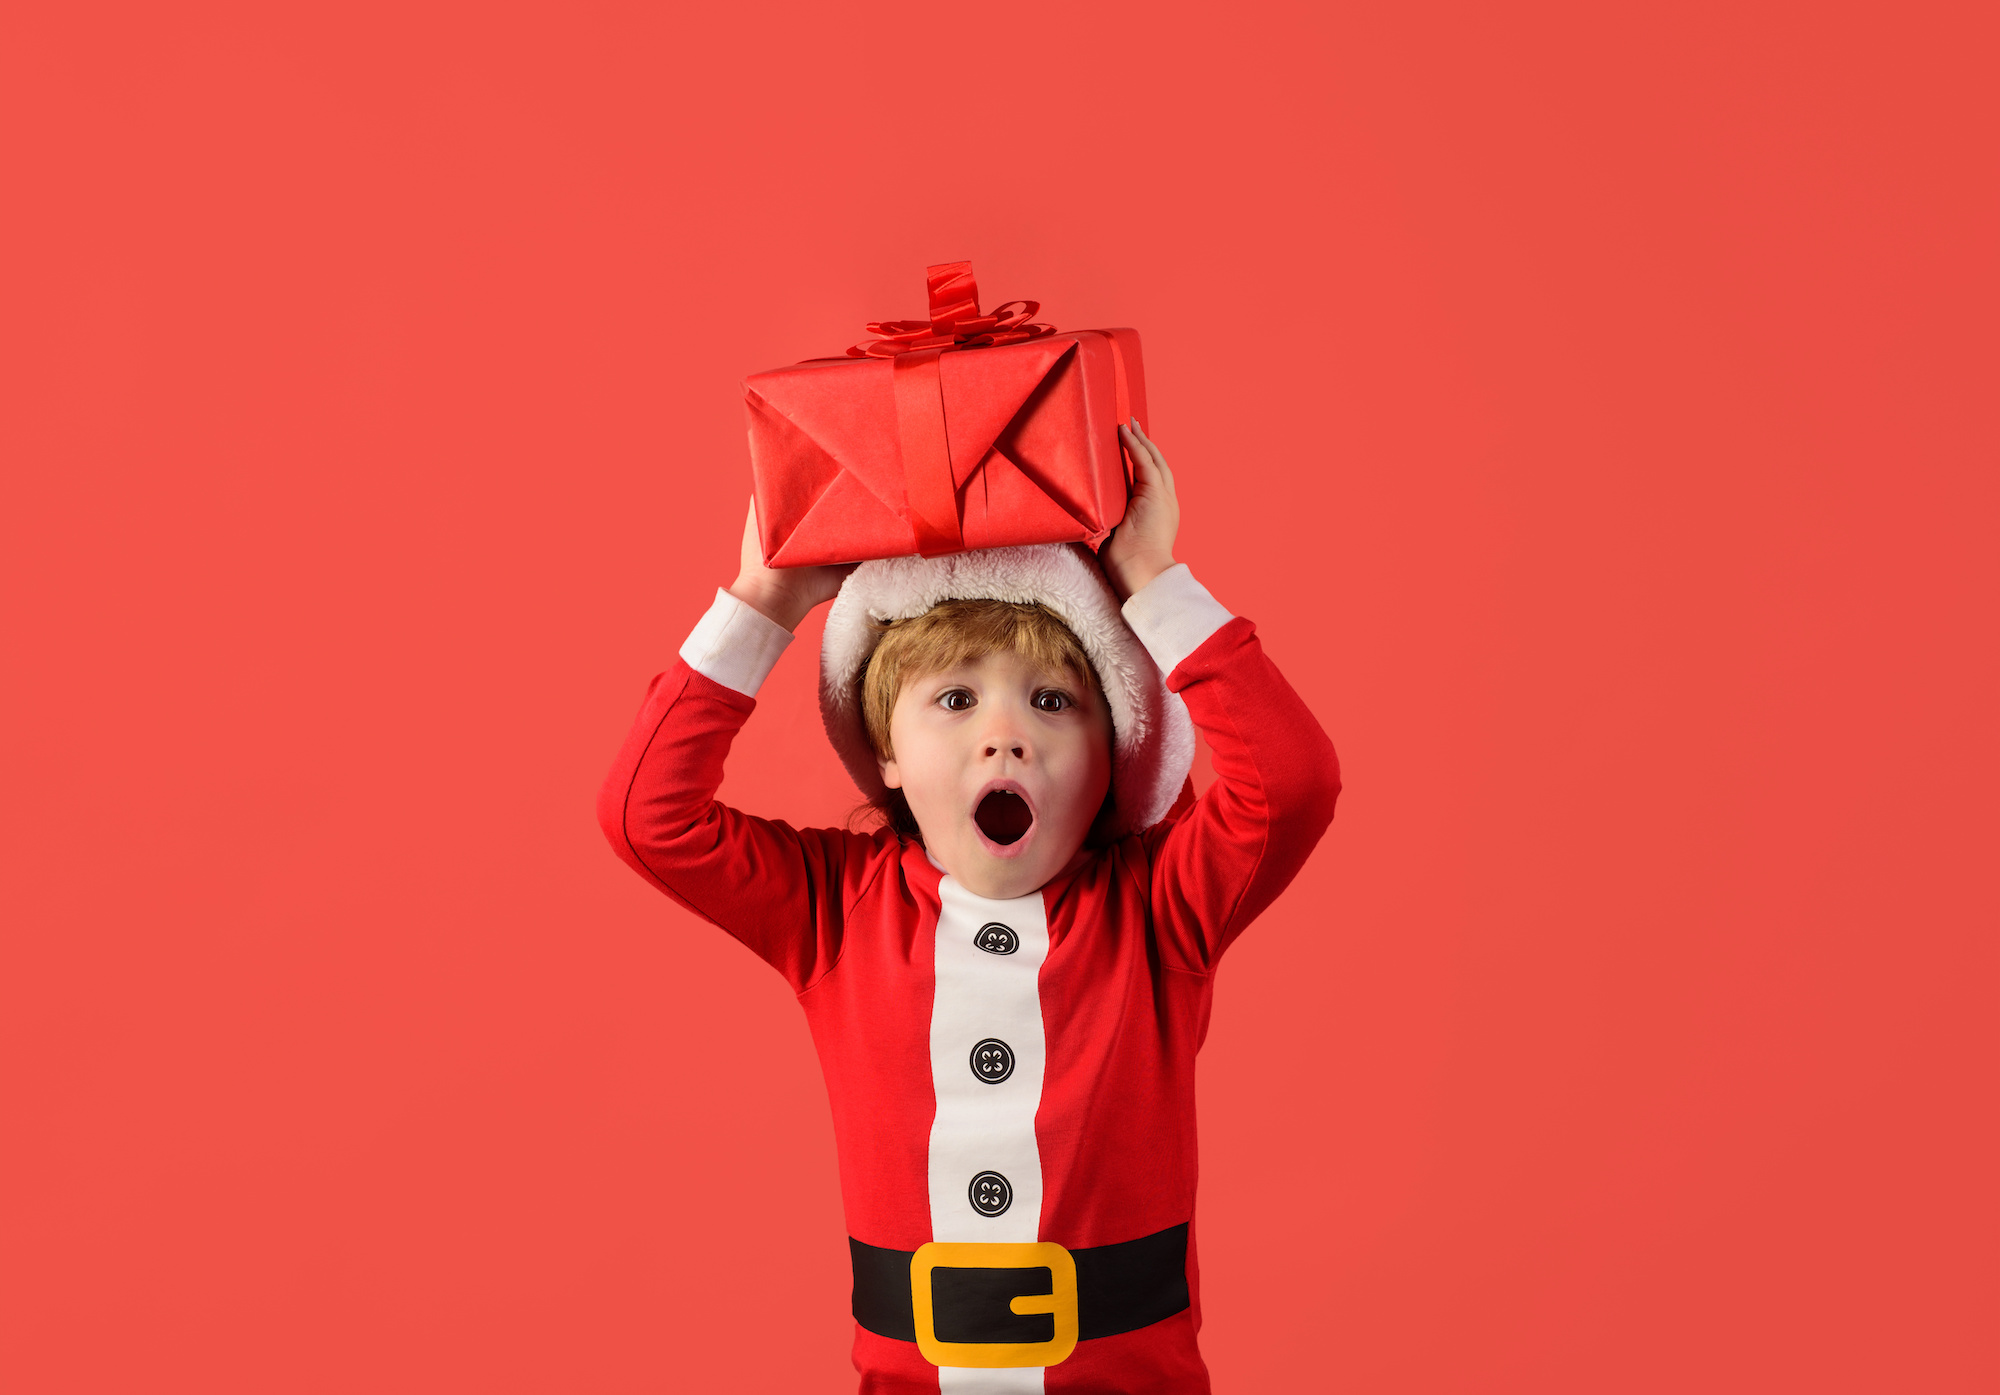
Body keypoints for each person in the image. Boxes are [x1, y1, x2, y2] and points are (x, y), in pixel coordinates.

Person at [597, 421, 1341, 1393]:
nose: (1003, 738)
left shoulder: (1159, 911)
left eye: (1051, 701)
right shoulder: (834, 911)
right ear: (887, 758)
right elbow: (644, 816)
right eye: (954, 701)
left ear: (1110, 753)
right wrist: (765, 602)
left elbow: (1289, 783)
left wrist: (1151, 583)